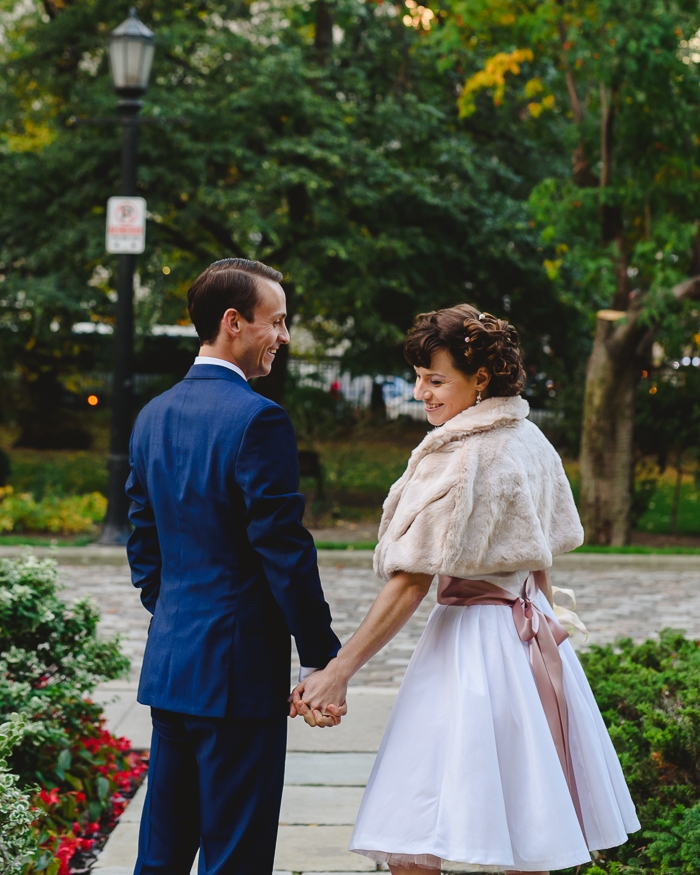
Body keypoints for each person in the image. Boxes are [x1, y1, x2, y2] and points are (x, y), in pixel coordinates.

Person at [293, 304, 640, 874]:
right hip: (531, 643)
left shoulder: (462, 454)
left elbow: (410, 582)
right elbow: (540, 555)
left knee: (414, 826)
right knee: (530, 826)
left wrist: (339, 669)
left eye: (435, 380)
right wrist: (549, 626)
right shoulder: (530, 439)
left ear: (481, 379)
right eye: (419, 378)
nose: (420, 393)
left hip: (470, 647)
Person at [126, 258, 342, 875]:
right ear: (233, 322)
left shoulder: (152, 416)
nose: (283, 336)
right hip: (238, 674)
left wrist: (179, 616)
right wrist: (322, 657)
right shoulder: (259, 419)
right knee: (236, 859)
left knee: (160, 855)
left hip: (173, 664)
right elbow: (285, 550)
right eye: (275, 322)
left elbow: (146, 548)